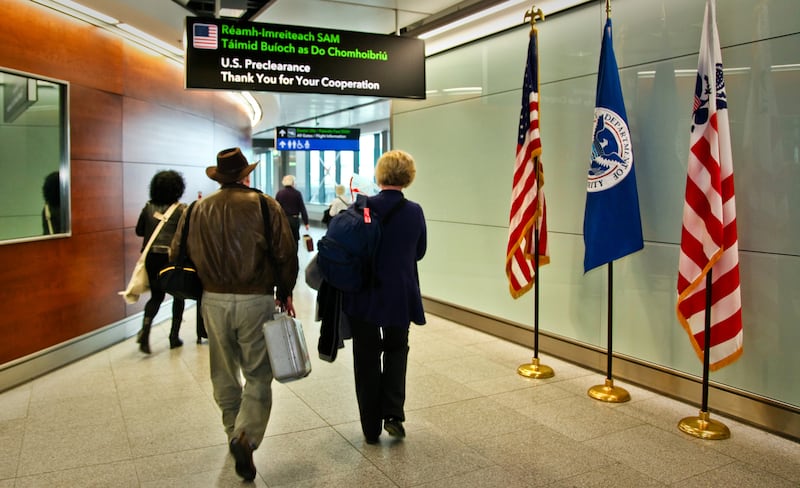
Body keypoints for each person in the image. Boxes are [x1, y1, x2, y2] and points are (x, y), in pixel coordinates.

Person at [170, 147, 298, 481]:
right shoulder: (265, 205)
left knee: (223, 370)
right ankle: (246, 435)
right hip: (256, 298)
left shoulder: (196, 209)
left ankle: (233, 433)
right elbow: (285, 253)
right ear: (246, 175)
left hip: (213, 300)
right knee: (258, 373)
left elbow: (175, 252)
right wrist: (285, 292)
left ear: (220, 177)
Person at [342, 150, 427, 445]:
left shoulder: (361, 208)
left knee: (366, 356)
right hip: (399, 294)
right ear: (408, 176)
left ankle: (370, 427)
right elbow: (419, 252)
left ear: (380, 175)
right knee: (396, 350)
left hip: (364, 295)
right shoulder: (414, 211)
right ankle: (393, 414)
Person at [134, 170, 188, 353]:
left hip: (151, 257)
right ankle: (174, 337)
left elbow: (139, 231)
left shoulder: (148, 207)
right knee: (178, 296)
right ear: (178, 188)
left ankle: (145, 330)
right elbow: (185, 235)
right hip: (171, 257)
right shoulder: (181, 210)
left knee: (156, 296)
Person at [275, 174, 309, 245]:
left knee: (284, 239)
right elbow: (302, 208)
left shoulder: (279, 193)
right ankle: (294, 251)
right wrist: (306, 222)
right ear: (293, 182)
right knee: (295, 239)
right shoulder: (297, 194)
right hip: (294, 220)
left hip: (283, 220)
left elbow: (276, 208)